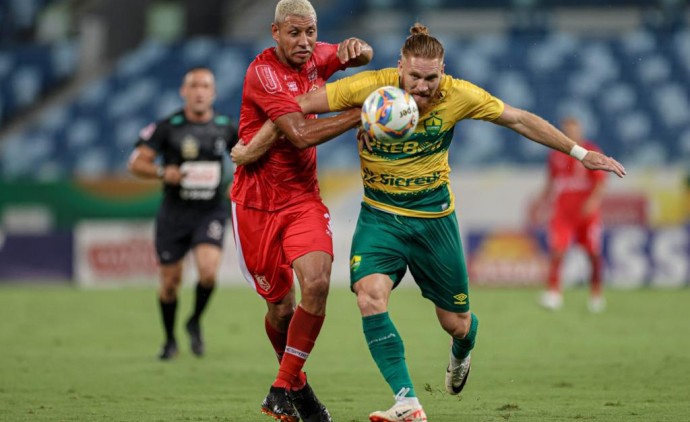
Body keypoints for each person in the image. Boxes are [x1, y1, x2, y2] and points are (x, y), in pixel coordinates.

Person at [233, 23, 626, 422]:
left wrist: (580, 153)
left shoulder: (459, 95)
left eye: (431, 77)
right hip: (381, 218)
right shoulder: (369, 87)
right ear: (400, 67)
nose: (422, 86)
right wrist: (253, 149)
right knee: (369, 296)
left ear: (444, 71)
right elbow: (295, 106)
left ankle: (463, 350)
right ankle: (407, 402)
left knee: (455, 323)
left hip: (434, 221)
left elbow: (520, 119)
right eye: (414, 76)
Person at [230, 0, 373, 421]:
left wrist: (358, 48)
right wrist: (357, 114)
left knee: (318, 281)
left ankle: (280, 388)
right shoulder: (264, 74)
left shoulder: (316, 56)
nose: (305, 42)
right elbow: (301, 135)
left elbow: (364, 55)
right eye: (295, 33)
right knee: (280, 308)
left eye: (311, 32)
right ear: (275, 33)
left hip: (302, 199)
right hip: (255, 205)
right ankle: (299, 387)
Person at [128, 67, 238, 361]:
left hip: (210, 211)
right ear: (184, 92)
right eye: (194, 85)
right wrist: (164, 171)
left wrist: (239, 182)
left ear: (213, 93)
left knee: (208, 273)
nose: (200, 91)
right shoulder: (167, 127)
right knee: (169, 283)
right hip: (174, 214)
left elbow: (247, 156)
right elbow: (136, 163)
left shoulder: (227, 127)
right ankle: (169, 340)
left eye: (205, 86)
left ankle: (194, 320)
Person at [537, 117, 608, 313]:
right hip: (563, 213)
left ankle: (596, 293)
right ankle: (553, 293)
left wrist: (593, 202)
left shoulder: (591, 151)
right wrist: (542, 204)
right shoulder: (556, 155)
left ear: (580, 131)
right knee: (557, 251)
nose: (570, 133)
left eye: (573, 129)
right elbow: (551, 182)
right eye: (566, 130)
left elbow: (601, 182)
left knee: (593, 254)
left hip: (586, 214)